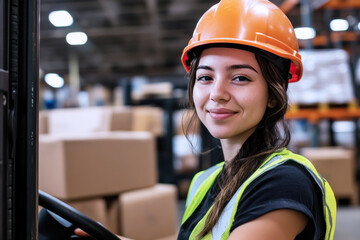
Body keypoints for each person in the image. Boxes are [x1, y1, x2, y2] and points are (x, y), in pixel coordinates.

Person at [177, 0, 336, 239]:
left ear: (275, 92)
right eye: (205, 77)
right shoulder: (205, 181)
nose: (217, 93)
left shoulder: (285, 183)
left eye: (240, 78)